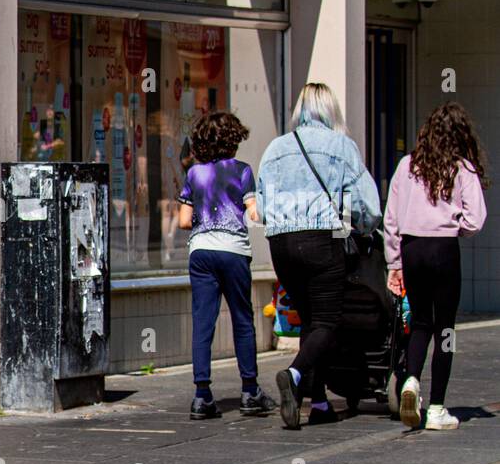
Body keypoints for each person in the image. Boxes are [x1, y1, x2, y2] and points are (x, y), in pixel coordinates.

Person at [256, 82, 382, 430]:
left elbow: (263, 206)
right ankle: (294, 374)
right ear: (331, 110)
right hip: (322, 241)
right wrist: (365, 228)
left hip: (281, 244)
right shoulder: (342, 147)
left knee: (309, 320)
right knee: (328, 321)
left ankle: (319, 400)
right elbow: (367, 207)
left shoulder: (276, 148)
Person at [384, 102, 489, 430]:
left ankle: (412, 380)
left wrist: (394, 263)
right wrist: (455, 220)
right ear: (461, 135)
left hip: (412, 248)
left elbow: (392, 218)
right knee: (445, 329)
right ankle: (437, 409)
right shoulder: (462, 169)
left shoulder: (407, 165)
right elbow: (476, 220)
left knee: (419, 323)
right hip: (444, 250)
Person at [177, 110, 277, 420]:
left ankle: (202, 395)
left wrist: (203, 217)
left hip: (201, 252)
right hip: (233, 252)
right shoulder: (243, 171)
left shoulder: (194, 174)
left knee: (203, 322)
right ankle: (249, 391)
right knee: (242, 320)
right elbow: (254, 213)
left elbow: (182, 221)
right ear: (233, 141)